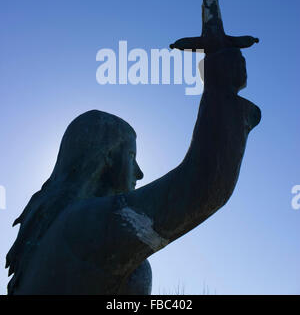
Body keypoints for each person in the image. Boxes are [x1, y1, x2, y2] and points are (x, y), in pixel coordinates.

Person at [6, 47, 261, 295]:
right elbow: (200, 188)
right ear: (106, 159)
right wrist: (220, 90)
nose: (139, 173)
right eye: (131, 156)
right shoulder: (83, 226)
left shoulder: (52, 238)